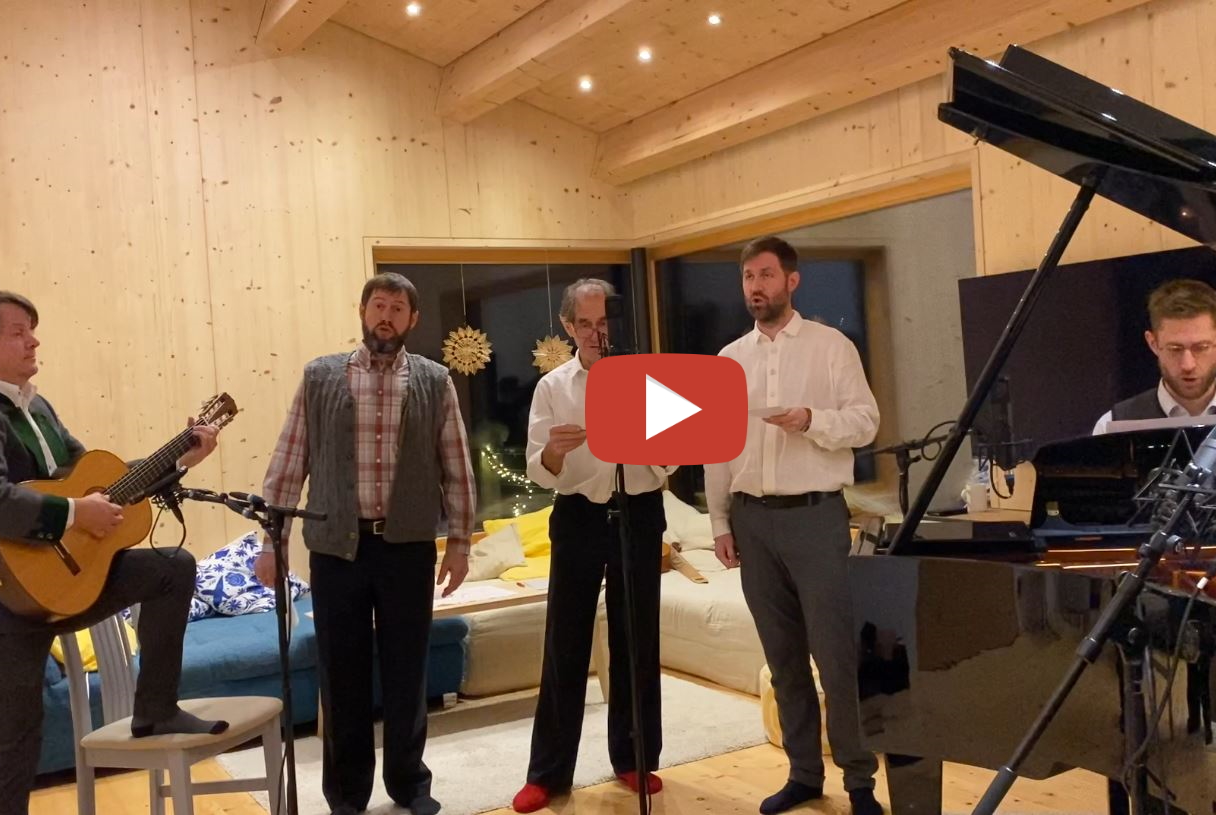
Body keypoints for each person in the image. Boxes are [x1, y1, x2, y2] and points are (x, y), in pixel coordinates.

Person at [0, 288, 226, 815]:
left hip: (59, 588)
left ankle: (156, 710)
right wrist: (73, 514)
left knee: (171, 568)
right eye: (18, 332)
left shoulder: (36, 407)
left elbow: (99, 487)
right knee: (17, 747)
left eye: (32, 330)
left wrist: (178, 459)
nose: (34, 341)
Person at [257, 272, 476, 815]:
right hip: (337, 550)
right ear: (362, 311)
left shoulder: (435, 380)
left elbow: (456, 464)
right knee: (341, 674)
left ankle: (410, 784)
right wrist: (271, 542)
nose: (386, 316)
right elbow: (289, 459)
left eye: (398, 309)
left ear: (412, 320)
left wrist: (460, 542)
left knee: (408, 671)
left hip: (407, 548)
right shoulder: (320, 377)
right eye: (379, 305)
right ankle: (347, 795)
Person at [705, 237, 884, 815]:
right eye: (747, 277)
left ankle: (860, 782)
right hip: (752, 521)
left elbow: (866, 423)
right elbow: (716, 447)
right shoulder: (729, 359)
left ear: (791, 281)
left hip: (815, 516)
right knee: (783, 662)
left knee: (836, 657)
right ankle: (804, 774)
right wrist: (719, 521)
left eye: (765, 275)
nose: (755, 286)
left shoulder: (832, 348)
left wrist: (811, 420)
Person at [510, 278, 674, 813]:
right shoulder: (552, 387)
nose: (597, 333)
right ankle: (548, 773)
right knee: (565, 641)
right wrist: (555, 453)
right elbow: (538, 469)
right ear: (567, 326)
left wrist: (650, 439)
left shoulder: (651, 381)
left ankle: (635, 758)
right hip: (578, 514)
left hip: (639, 511)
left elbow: (674, 459)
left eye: (605, 323)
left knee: (637, 638)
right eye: (586, 324)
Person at [1091, 278, 1216, 435]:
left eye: (1201, 348)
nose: (1188, 365)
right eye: (1175, 349)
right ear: (1153, 343)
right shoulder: (1112, 427)